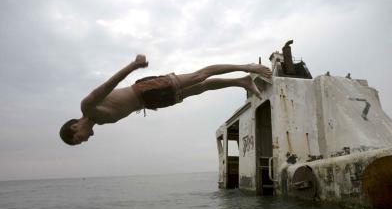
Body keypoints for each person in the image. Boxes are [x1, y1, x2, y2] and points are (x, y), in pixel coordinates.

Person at [60, 54, 272, 145]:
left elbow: (109, 85)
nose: (85, 140)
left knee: (200, 75)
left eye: (79, 138)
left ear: (75, 126)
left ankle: (248, 67)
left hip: (145, 89)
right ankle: (243, 81)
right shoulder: (101, 121)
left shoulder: (87, 106)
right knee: (202, 88)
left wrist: (134, 65)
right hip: (150, 103)